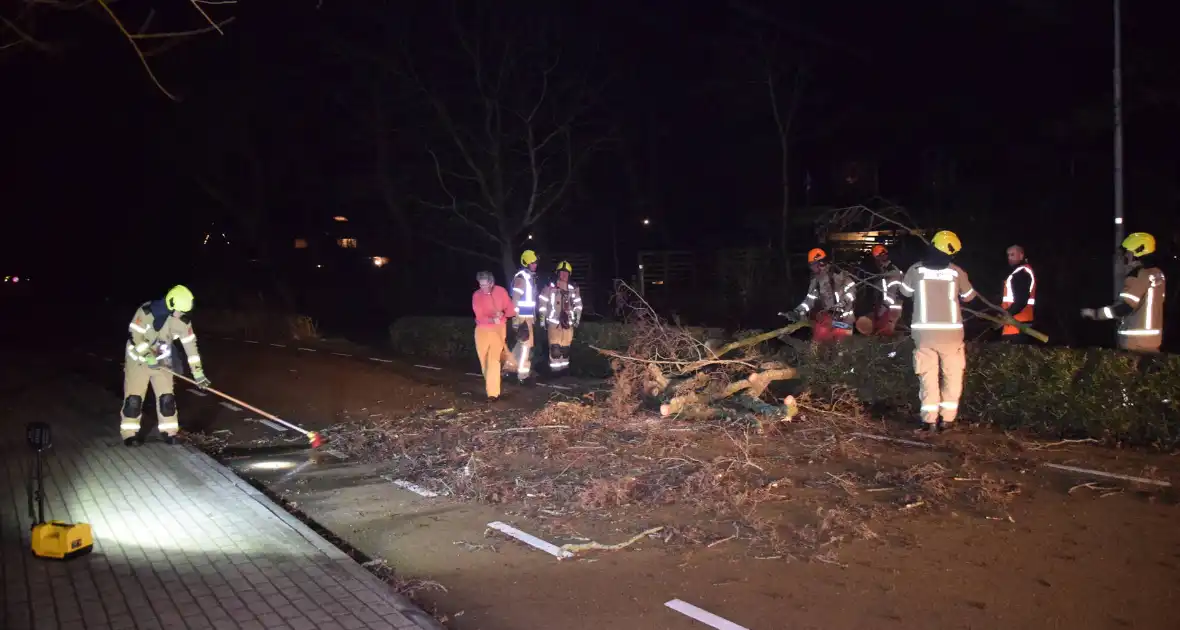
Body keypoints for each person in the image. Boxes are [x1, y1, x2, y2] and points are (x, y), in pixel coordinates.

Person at [897, 231, 978, 433]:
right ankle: (948, 420)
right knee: (952, 375)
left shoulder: (915, 270)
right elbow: (969, 297)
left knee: (927, 376)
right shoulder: (956, 272)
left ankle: (929, 421)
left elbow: (904, 293)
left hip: (924, 334)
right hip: (951, 335)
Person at [122, 285, 210, 445]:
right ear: (170, 304)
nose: (182, 314)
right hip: (138, 361)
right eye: (180, 311)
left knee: (166, 399)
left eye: (185, 312)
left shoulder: (182, 322)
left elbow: (191, 347)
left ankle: (169, 432)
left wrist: (198, 373)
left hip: (162, 361)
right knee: (133, 400)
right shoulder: (146, 312)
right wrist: (148, 356)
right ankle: (129, 434)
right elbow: (135, 336)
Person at [1081, 232, 1167, 353]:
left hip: (1134, 342)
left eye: (1127, 253)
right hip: (1153, 341)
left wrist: (1095, 314)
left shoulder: (1137, 276)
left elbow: (1124, 308)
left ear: (1137, 253)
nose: (1125, 257)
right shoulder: (1158, 274)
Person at [786, 247, 856, 342]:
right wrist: (797, 312)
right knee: (823, 343)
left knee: (842, 348)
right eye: (810, 265)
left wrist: (842, 304)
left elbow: (852, 292)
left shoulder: (839, 275)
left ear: (820, 263)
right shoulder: (816, 282)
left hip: (845, 321)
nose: (811, 268)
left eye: (812, 265)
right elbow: (809, 301)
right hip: (831, 320)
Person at [472, 271, 515, 401]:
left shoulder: (501, 292)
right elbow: (479, 315)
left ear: (492, 283)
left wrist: (502, 314)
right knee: (484, 361)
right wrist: (491, 319)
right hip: (482, 330)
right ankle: (492, 383)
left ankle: (493, 394)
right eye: (481, 285)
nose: (483, 288)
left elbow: (511, 309)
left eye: (485, 285)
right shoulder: (476, 295)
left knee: (493, 360)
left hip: (498, 329)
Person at [538, 261, 584, 373]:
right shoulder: (550, 286)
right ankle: (555, 372)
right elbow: (542, 302)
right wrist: (542, 319)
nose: (564, 275)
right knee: (555, 350)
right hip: (554, 323)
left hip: (568, 323)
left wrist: (577, 319)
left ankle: (564, 371)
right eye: (562, 272)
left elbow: (578, 305)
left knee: (565, 349)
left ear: (569, 274)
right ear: (557, 273)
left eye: (566, 273)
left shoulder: (573, 288)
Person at [506, 249, 540, 382]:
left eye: (535, 262)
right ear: (526, 263)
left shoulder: (529, 277)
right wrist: (515, 319)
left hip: (527, 317)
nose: (535, 265)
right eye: (532, 263)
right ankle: (523, 375)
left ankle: (509, 369)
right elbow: (515, 299)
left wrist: (533, 316)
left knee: (521, 345)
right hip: (522, 317)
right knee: (526, 346)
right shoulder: (521, 278)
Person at [1000, 245, 1037, 342]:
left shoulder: (1021, 273)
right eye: (1008, 255)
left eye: (1012, 255)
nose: (1009, 258)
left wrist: (1007, 315)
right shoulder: (1021, 272)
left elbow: (1021, 300)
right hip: (1018, 324)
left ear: (1021, 256)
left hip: (1017, 325)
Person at [870, 244, 904, 335]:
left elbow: (891, 296)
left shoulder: (893, 273)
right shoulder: (885, 272)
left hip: (892, 309)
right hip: (888, 308)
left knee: (887, 335)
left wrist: (881, 311)